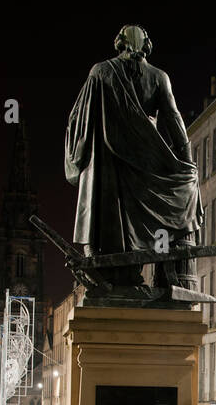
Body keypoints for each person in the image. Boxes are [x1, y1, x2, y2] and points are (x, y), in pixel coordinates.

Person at [64, 24, 203, 291]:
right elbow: (174, 121)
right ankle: (129, 275)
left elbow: (80, 122)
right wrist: (187, 164)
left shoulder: (101, 72)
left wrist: (82, 146)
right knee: (186, 188)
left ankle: (110, 266)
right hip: (141, 164)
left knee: (109, 213)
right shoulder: (158, 76)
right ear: (147, 46)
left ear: (119, 43)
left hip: (110, 162)